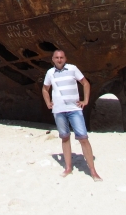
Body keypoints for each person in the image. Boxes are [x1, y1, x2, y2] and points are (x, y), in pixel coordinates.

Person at [42, 49, 102, 180]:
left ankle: (93, 171)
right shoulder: (50, 73)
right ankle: (68, 168)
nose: (59, 60)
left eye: (61, 57)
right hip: (58, 110)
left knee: (83, 138)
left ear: (65, 58)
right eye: (56, 57)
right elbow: (45, 89)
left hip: (74, 110)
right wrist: (48, 103)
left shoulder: (73, 69)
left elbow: (85, 83)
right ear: (52, 59)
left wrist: (86, 100)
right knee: (64, 137)